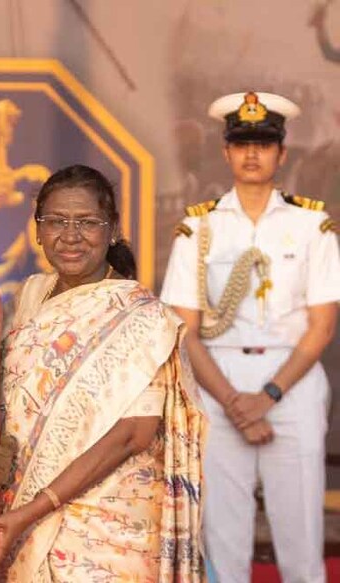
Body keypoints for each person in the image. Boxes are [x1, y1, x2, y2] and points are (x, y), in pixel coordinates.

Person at [0, 164, 205, 581]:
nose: (70, 236)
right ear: (38, 229)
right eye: (56, 221)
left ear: (112, 229)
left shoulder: (143, 318)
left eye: (87, 222)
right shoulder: (28, 297)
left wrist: (36, 508)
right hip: (17, 515)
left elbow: (133, 435)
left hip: (103, 530)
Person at [162, 91, 339, 583]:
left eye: (263, 143)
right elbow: (185, 330)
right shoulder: (198, 228)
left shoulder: (314, 226)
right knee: (222, 540)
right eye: (242, 143)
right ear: (226, 152)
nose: (252, 153)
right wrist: (235, 403)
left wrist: (268, 397)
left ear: (282, 153)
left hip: (292, 381)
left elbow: (322, 326)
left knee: (302, 540)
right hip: (218, 380)